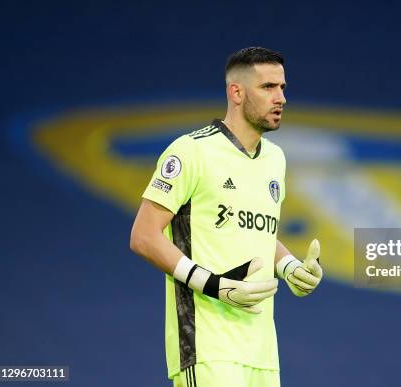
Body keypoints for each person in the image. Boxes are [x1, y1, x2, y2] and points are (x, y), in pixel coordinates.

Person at [129, 47, 324, 387]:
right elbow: (144, 236)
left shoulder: (275, 159)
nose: (281, 98)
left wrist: (290, 266)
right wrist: (214, 286)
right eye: (268, 87)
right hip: (206, 344)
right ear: (236, 92)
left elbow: (255, 231)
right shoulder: (191, 151)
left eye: (283, 87)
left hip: (262, 350)